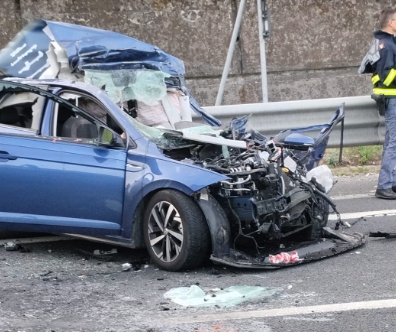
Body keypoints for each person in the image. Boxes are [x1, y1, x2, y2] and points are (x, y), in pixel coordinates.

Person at [360, 9, 396, 199]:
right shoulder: (388, 45)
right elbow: (386, 74)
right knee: (393, 144)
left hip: (389, 99)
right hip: (393, 99)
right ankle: (384, 186)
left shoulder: (382, 43)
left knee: (392, 142)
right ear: (391, 23)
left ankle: (392, 182)